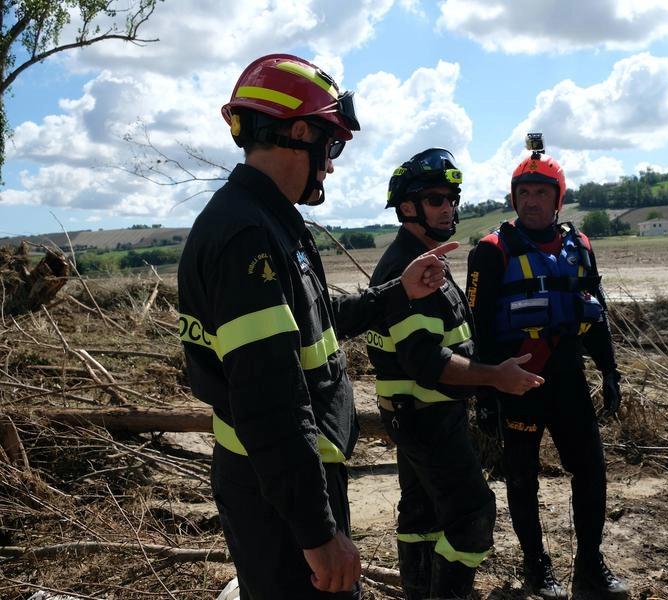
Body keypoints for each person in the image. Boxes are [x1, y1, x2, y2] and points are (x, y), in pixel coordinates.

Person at [177, 54, 457, 600]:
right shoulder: (247, 237)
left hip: (286, 478)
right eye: (329, 147)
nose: (329, 167)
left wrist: (399, 291)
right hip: (278, 487)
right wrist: (317, 531)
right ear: (299, 132)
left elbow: (318, 323)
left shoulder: (271, 221)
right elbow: (269, 401)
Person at [366, 148, 545, 599]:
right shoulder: (409, 267)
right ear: (407, 207)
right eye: (434, 198)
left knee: (421, 513)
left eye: (452, 197)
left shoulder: (422, 258)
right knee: (473, 517)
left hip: (414, 414)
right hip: (426, 415)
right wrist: (494, 377)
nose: (448, 207)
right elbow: (427, 363)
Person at [465, 135, 629, 600]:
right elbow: (478, 325)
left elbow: (595, 311)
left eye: (541, 193)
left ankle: (590, 567)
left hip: (567, 377)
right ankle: (537, 569)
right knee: (521, 476)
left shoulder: (580, 246)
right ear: (513, 198)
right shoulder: (491, 251)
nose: (532, 201)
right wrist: (485, 393)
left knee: (592, 469)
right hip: (517, 381)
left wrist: (610, 370)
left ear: (558, 199)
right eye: (524, 193)